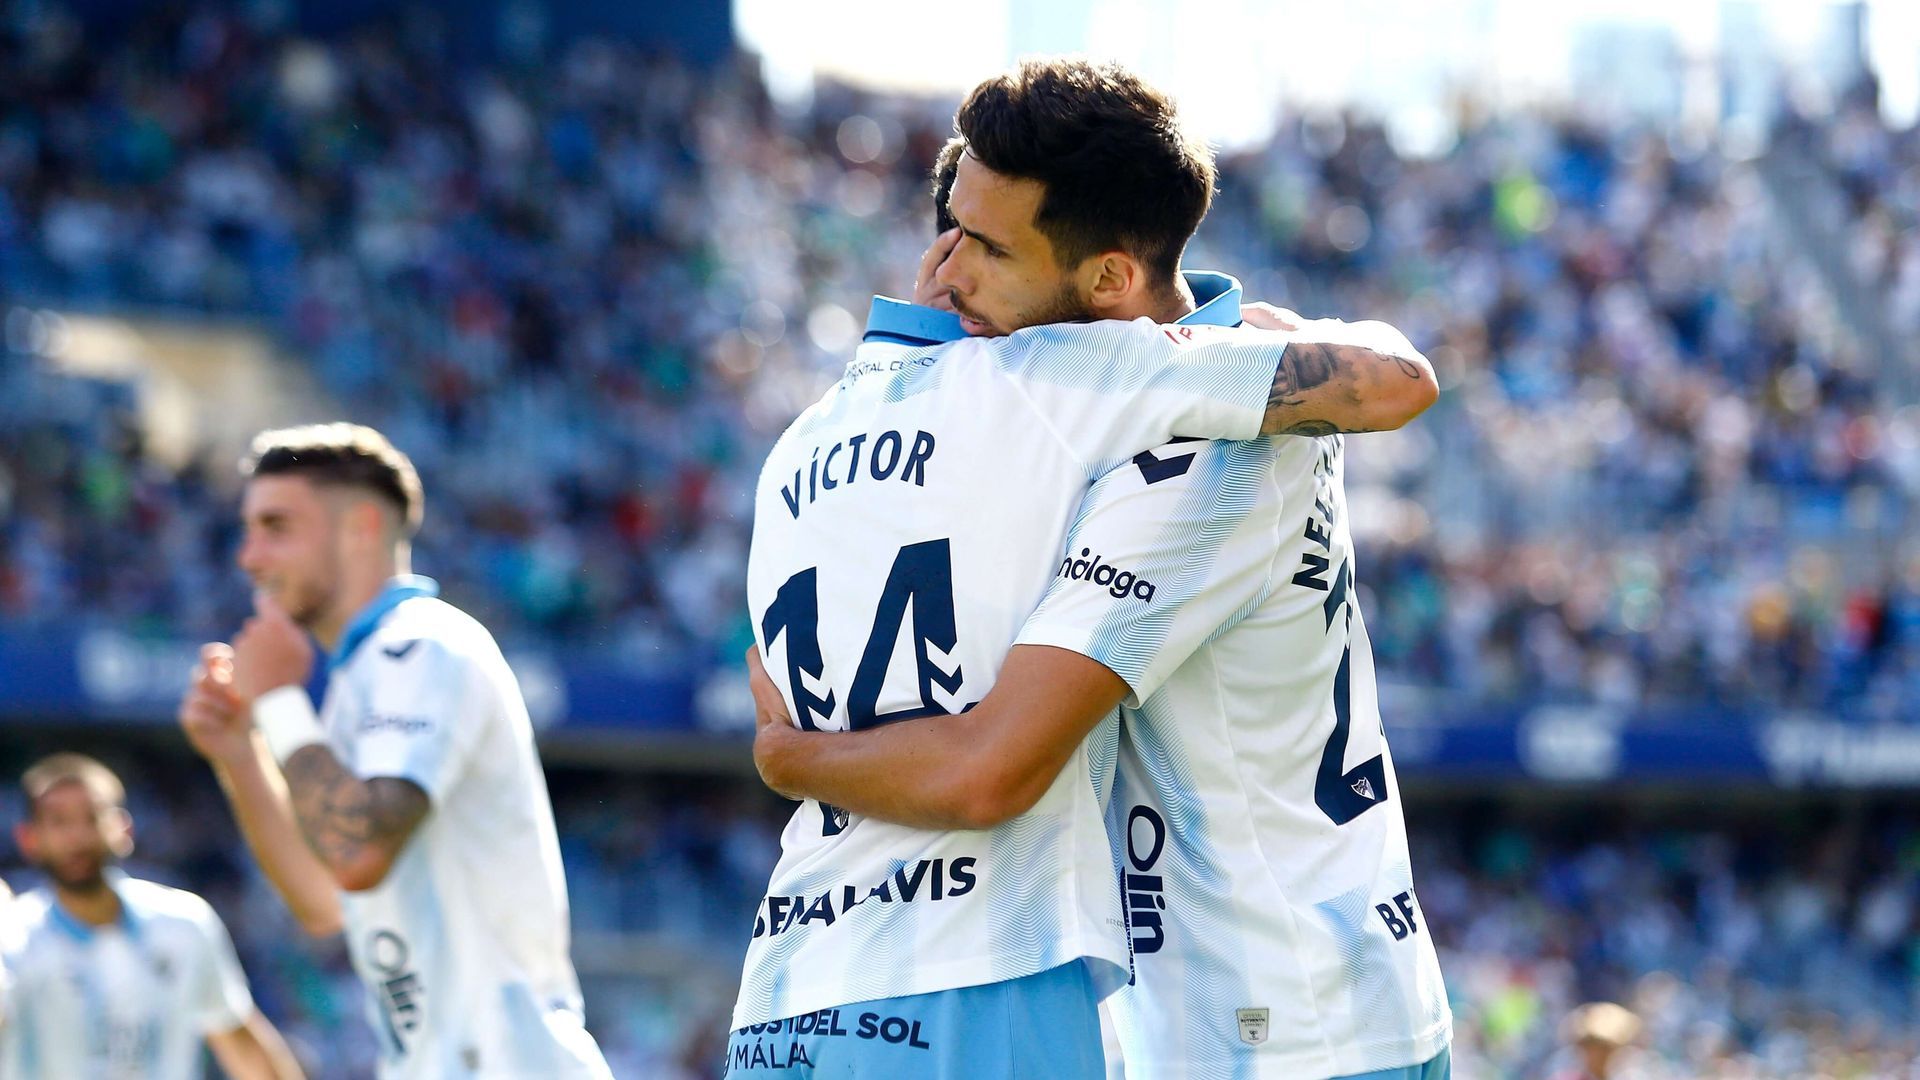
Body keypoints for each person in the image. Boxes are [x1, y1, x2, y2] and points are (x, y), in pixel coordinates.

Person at [728, 58, 1438, 1078]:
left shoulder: (1198, 448)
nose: (944, 273)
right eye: (950, 230)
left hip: (1284, 1024)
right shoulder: (1166, 390)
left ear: (1108, 279)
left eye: (987, 247)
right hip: (1210, 1012)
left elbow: (993, 766)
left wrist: (789, 758)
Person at [176, 423, 611, 1079]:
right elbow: (325, 900)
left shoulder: (421, 646)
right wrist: (239, 754)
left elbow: (356, 853)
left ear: (361, 527)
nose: (250, 556)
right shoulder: (365, 678)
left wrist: (278, 702)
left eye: (276, 526)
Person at [0, 753, 303, 1079]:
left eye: (92, 817)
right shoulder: (13, 932)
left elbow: (238, 1038)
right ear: (28, 839)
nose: (78, 837)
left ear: (124, 828)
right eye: (58, 821)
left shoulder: (184, 923)